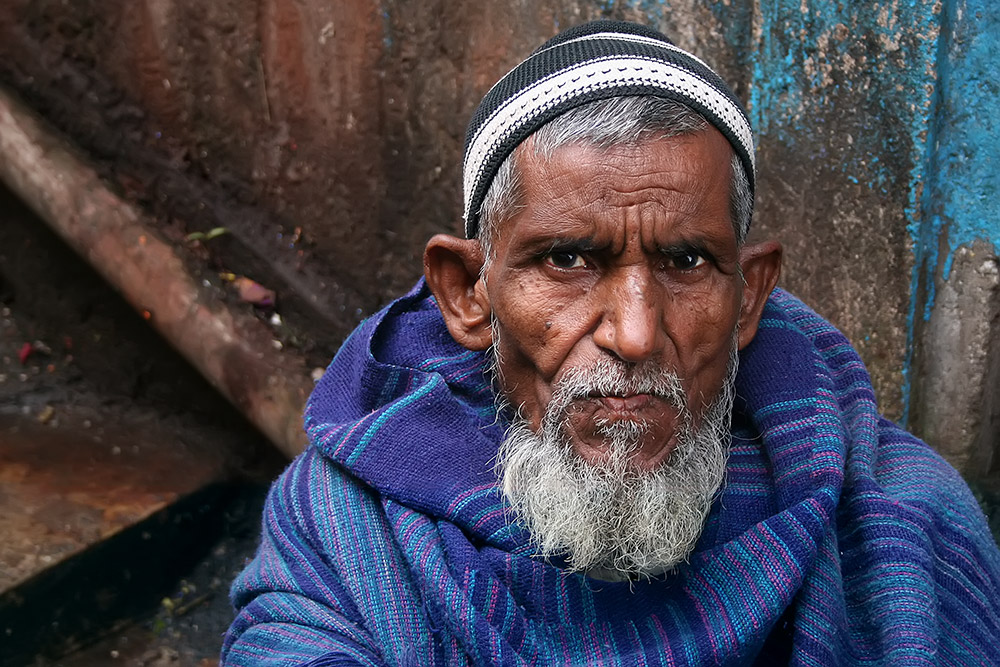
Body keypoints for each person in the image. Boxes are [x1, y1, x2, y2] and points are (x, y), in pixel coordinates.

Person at [222, 20, 1000, 666]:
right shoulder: (344, 528)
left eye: (686, 261)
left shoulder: (904, 520)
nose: (634, 332)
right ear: (468, 293)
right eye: (567, 259)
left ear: (749, 295)